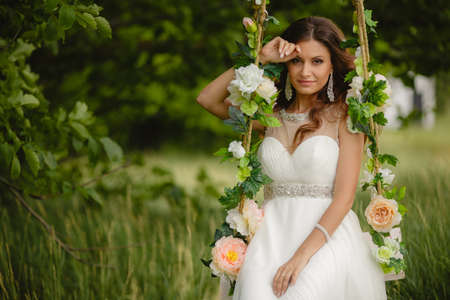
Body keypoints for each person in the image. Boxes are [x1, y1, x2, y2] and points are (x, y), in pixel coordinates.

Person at [197, 16, 387, 300]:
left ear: (333, 64)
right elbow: (207, 99)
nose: (305, 71)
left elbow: (344, 199)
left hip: (324, 239)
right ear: (285, 64)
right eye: (297, 61)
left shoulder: (346, 116)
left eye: (317, 61)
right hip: (269, 240)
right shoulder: (266, 114)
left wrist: (300, 258)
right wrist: (259, 57)